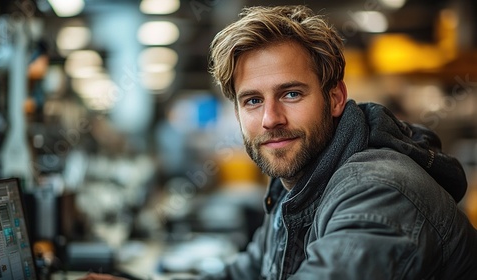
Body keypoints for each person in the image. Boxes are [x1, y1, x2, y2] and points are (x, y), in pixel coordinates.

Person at [82, 4, 477, 280]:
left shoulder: (376, 194)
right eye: (252, 101)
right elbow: (248, 272)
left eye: (291, 94)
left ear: (335, 98)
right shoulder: (299, 183)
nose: (271, 119)